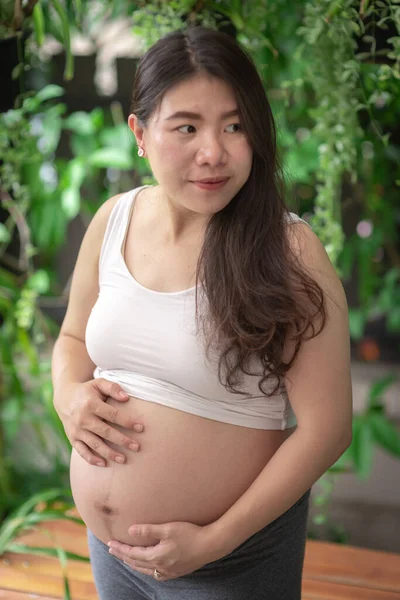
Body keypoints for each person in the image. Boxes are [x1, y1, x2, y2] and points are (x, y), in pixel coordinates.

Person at [52, 26, 353, 600]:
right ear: (140, 133)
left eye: (234, 126)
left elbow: (327, 428)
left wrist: (215, 539)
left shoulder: (288, 250)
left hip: (230, 563)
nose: (213, 152)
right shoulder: (113, 220)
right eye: (186, 127)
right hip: (114, 558)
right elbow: (71, 339)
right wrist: (68, 396)